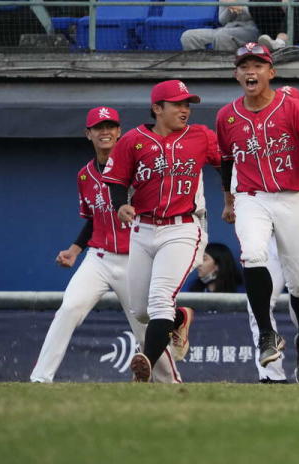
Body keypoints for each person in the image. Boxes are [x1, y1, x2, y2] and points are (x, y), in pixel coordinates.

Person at [30, 107, 180, 384]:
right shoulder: (85, 175)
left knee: (144, 327)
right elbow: (93, 219)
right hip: (98, 258)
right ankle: (41, 378)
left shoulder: (138, 168)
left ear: (120, 132)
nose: (105, 132)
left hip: (134, 258)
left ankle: (170, 382)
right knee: (69, 308)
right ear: (88, 134)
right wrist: (75, 250)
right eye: (99, 127)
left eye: (110, 126)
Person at [216, 43, 299, 385]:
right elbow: (226, 160)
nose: (251, 71)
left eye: (258, 65)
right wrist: (228, 199)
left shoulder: (292, 107)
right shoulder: (226, 116)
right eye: (244, 65)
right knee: (252, 253)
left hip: (291, 197)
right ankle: (266, 333)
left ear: (271, 72)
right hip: (251, 196)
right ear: (236, 74)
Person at [102, 81, 220, 383]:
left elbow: (230, 161)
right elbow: (116, 179)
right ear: (157, 108)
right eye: (177, 104)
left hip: (182, 228)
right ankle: (181, 317)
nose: (185, 110)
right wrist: (119, 206)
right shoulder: (132, 140)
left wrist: (234, 197)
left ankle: (146, 364)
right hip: (142, 229)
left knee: (159, 300)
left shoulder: (201, 136)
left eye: (187, 104)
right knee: (141, 310)